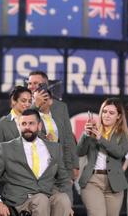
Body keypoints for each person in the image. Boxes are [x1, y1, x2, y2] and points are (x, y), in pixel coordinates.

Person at [0, 108, 72, 216]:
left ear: (39, 126)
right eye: (23, 124)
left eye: (31, 123)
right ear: (19, 126)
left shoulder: (54, 148)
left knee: (63, 199)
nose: (27, 127)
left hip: (47, 197)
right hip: (19, 203)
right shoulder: (6, 149)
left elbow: (64, 179)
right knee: (41, 200)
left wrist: (68, 205)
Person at [28, 71, 78, 202]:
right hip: (36, 169)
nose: (31, 86)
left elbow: (68, 138)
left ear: (45, 85)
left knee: (65, 206)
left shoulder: (60, 107)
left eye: (35, 83)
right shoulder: (25, 105)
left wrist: (74, 165)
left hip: (60, 166)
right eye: (29, 83)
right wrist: (35, 104)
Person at [77, 98, 128, 216]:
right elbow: (79, 152)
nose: (106, 115)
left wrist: (101, 139)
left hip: (114, 184)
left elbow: (119, 153)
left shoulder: (124, 135)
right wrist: (85, 135)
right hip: (92, 181)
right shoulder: (92, 131)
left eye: (111, 113)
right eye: (104, 112)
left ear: (119, 116)